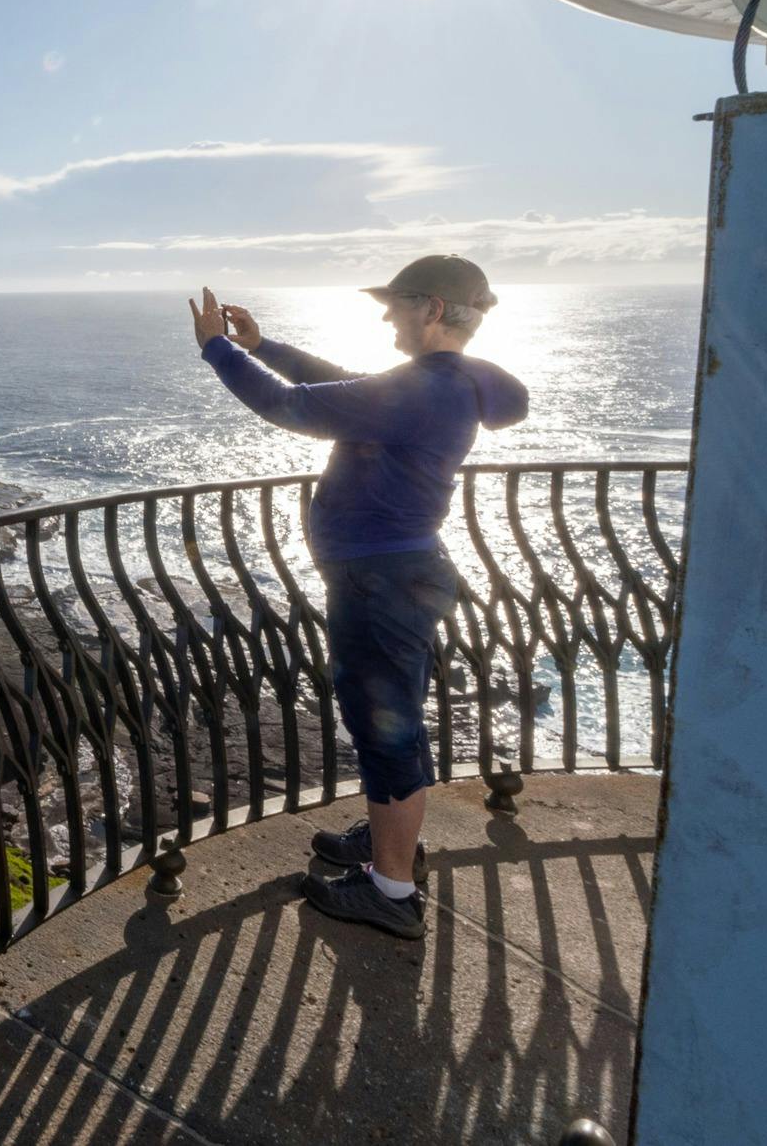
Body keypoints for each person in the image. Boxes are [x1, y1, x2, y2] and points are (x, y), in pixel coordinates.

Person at [187, 254, 528, 939]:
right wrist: (265, 346)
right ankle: (388, 846)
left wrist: (217, 350)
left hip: (380, 580)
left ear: (431, 308)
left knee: (385, 730)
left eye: (397, 303)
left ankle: (392, 889)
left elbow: (293, 405)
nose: (386, 315)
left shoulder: (421, 391)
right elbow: (347, 388)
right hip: (399, 571)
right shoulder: (444, 382)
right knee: (396, 720)